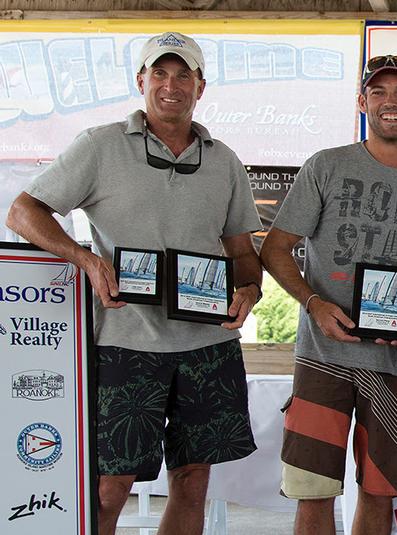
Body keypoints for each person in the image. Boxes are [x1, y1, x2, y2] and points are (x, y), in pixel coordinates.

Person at [6, 32, 262, 535]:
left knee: (192, 479)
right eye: (160, 74)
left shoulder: (224, 159)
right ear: (141, 80)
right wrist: (85, 260)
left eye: (183, 75)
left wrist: (250, 289)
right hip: (124, 342)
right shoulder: (99, 146)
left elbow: (241, 252)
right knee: (108, 486)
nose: (171, 86)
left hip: (207, 344)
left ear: (200, 86)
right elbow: (23, 212)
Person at [259, 55, 397, 535]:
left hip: (394, 365)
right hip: (322, 357)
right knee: (313, 492)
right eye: (379, 91)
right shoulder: (326, 166)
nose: (391, 102)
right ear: (362, 101)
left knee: (380, 493)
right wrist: (315, 304)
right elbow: (275, 249)